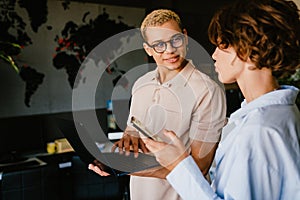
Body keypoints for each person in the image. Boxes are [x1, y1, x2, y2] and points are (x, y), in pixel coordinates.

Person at [143, 0, 300, 199]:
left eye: (221, 45)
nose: (214, 55)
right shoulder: (278, 113)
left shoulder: (258, 130)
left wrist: (177, 165)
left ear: (244, 49)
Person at [89, 9, 227, 200]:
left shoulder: (207, 91)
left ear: (185, 38)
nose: (169, 50)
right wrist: (112, 158)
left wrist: (128, 170)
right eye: (159, 45)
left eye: (175, 40)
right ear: (148, 49)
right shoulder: (141, 84)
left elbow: (200, 167)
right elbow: (132, 135)